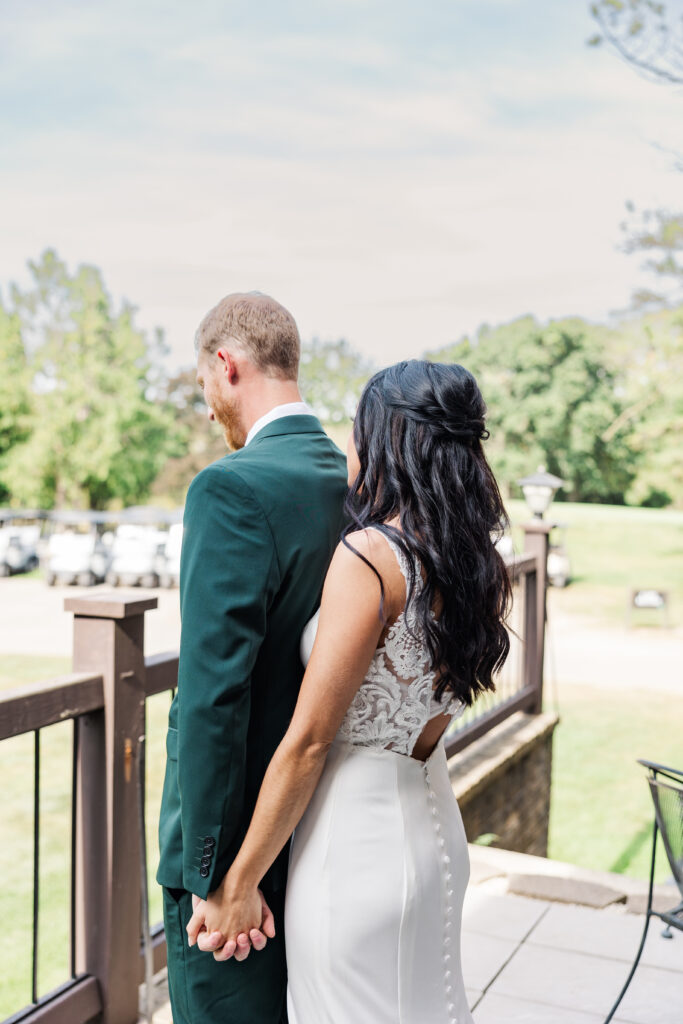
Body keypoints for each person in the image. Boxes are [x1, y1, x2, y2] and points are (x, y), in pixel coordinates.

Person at [187, 359, 513, 1024]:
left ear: (389, 439)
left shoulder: (371, 557)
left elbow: (307, 743)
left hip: (354, 847)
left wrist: (238, 884)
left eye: (358, 432)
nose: (348, 449)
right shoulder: (469, 563)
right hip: (432, 830)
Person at [156, 292, 348, 1024]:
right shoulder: (352, 478)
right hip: (321, 833)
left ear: (225, 366)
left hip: (236, 858)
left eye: (204, 385)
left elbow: (212, 695)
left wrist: (213, 875)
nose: (208, 409)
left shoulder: (231, 489)